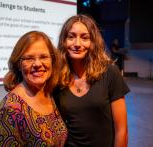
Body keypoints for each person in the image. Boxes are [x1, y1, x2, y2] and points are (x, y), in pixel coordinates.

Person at [55, 14, 130, 147]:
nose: (77, 44)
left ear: (93, 42)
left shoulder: (110, 73)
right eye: (71, 37)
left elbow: (122, 130)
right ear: (63, 41)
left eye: (85, 38)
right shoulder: (59, 78)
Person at [0, 31, 67, 146]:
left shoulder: (50, 93)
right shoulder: (9, 110)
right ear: (18, 64)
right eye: (29, 58)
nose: (37, 64)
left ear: (53, 61)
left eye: (44, 57)